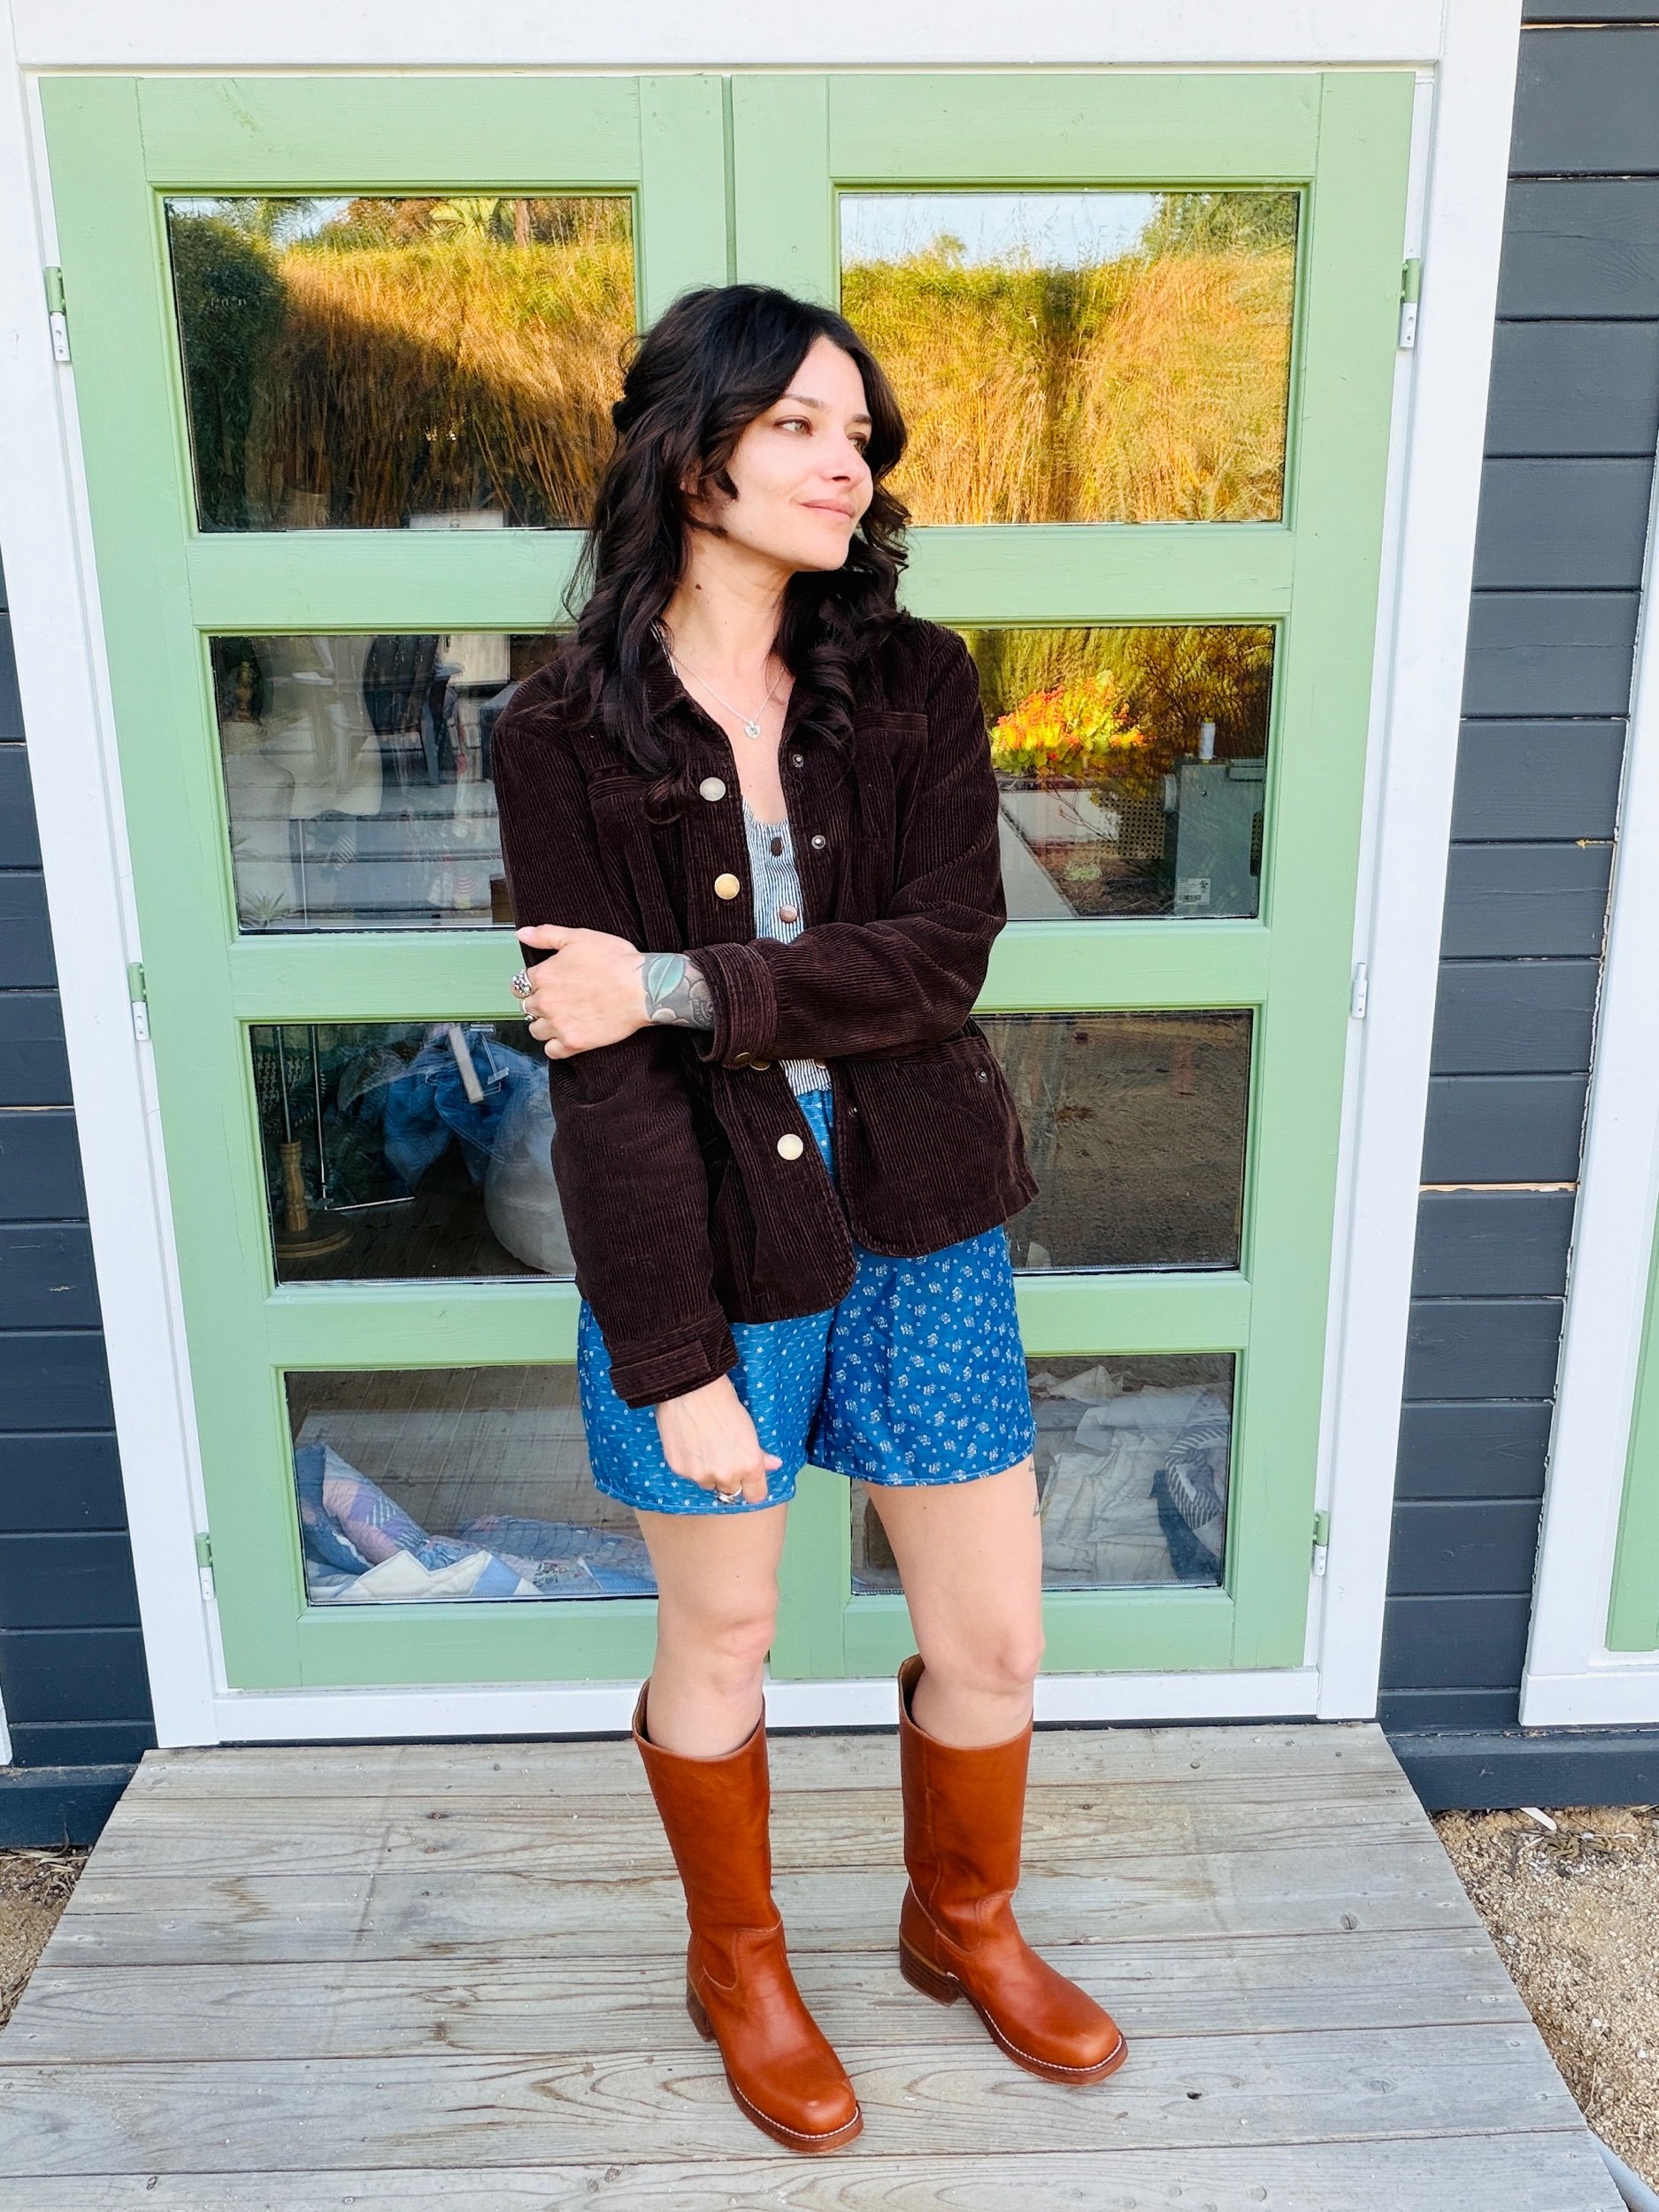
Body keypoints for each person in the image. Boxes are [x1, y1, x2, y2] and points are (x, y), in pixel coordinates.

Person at [490, 282, 1126, 2156]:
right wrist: (671, 1357)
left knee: (993, 1638)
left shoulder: (913, 679)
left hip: (922, 1207)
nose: (845, 463)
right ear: (690, 458)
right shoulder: (558, 730)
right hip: (700, 1231)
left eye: (859, 434)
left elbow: (940, 957)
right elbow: (597, 1080)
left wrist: (673, 986)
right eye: (798, 427)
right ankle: (740, 1961)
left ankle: (962, 1920)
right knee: (729, 1629)